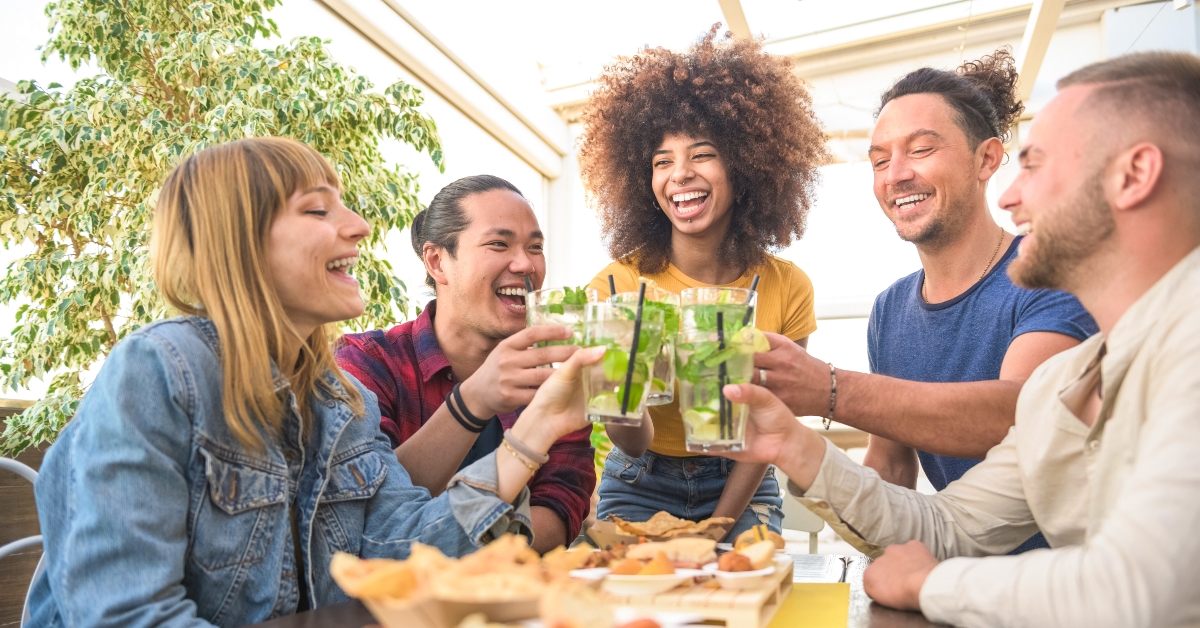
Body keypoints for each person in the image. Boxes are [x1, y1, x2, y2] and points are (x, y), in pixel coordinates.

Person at [26, 138, 605, 626]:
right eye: (318, 211)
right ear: (242, 241)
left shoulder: (338, 399)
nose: (359, 226)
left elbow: (403, 545)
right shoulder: (158, 373)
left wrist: (540, 424)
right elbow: (128, 616)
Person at [724, 51, 1200, 627]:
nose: (1010, 196)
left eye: (1037, 165)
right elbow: (949, 527)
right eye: (879, 159)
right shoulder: (1065, 382)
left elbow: (1139, 589)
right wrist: (791, 444)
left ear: (1133, 175)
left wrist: (931, 583)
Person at [753, 50, 1097, 552]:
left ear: (987, 159)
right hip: (954, 570)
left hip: (1064, 585)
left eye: (920, 150)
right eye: (878, 161)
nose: (895, 175)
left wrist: (827, 389)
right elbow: (891, 467)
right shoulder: (890, 310)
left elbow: (1019, 413)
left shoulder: (1048, 272)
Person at [576, 27, 825, 539]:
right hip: (639, 478)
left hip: (742, 479)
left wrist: (719, 526)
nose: (679, 174)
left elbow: (767, 426)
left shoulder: (787, 287)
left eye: (702, 154)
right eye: (661, 161)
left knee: (742, 600)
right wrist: (622, 396)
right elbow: (632, 441)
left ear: (745, 165)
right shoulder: (617, 288)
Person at [335, 175, 594, 553]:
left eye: (535, 247)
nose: (525, 264)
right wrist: (473, 401)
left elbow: (559, 511)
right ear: (437, 261)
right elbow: (371, 508)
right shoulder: (368, 363)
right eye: (498, 244)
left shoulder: (553, 385)